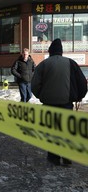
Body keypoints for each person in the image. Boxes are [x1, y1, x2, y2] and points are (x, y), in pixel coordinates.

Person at [31, 38, 87, 166]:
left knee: (52, 131)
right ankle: (67, 158)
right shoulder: (71, 63)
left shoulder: (43, 64)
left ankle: (54, 158)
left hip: (49, 104)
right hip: (66, 103)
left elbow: (34, 85)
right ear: (61, 51)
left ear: (50, 51)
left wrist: (41, 96)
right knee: (66, 130)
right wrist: (79, 96)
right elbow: (82, 83)